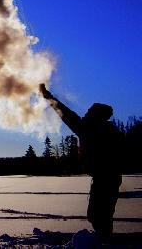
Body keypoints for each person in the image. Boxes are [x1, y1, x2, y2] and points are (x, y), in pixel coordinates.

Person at [39, 83, 122, 241]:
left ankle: (104, 240)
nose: (86, 113)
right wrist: (48, 96)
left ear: (96, 116)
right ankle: (103, 238)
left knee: (100, 215)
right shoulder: (95, 128)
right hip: (104, 177)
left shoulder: (95, 130)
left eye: (90, 112)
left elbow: (67, 115)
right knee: (97, 215)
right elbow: (66, 113)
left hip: (108, 178)